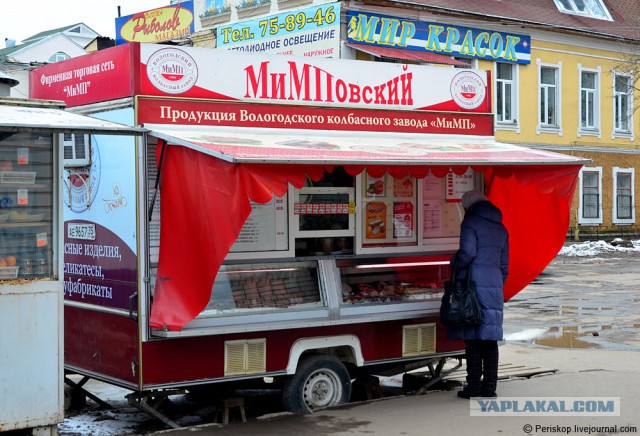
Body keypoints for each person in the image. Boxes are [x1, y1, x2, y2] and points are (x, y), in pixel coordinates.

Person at [448, 189, 509, 399]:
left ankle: (473, 387)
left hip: (473, 285)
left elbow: (467, 253)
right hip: (494, 287)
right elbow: (504, 266)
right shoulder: (500, 228)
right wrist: (496, 285)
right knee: (490, 340)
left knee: (473, 339)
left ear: (469, 206)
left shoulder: (471, 222)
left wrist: (454, 264)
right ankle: (489, 388)